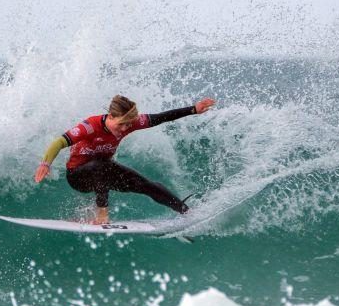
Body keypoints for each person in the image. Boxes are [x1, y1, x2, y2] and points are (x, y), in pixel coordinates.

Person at [34, 95, 216, 224]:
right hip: (77, 177)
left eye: (129, 124)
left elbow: (160, 117)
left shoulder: (129, 123)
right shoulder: (90, 126)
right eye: (122, 124)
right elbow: (59, 142)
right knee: (101, 165)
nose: (125, 128)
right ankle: (101, 216)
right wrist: (45, 163)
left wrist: (193, 109)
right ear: (111, 116)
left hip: (103, 173)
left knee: (148, 185)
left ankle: (188, 213)